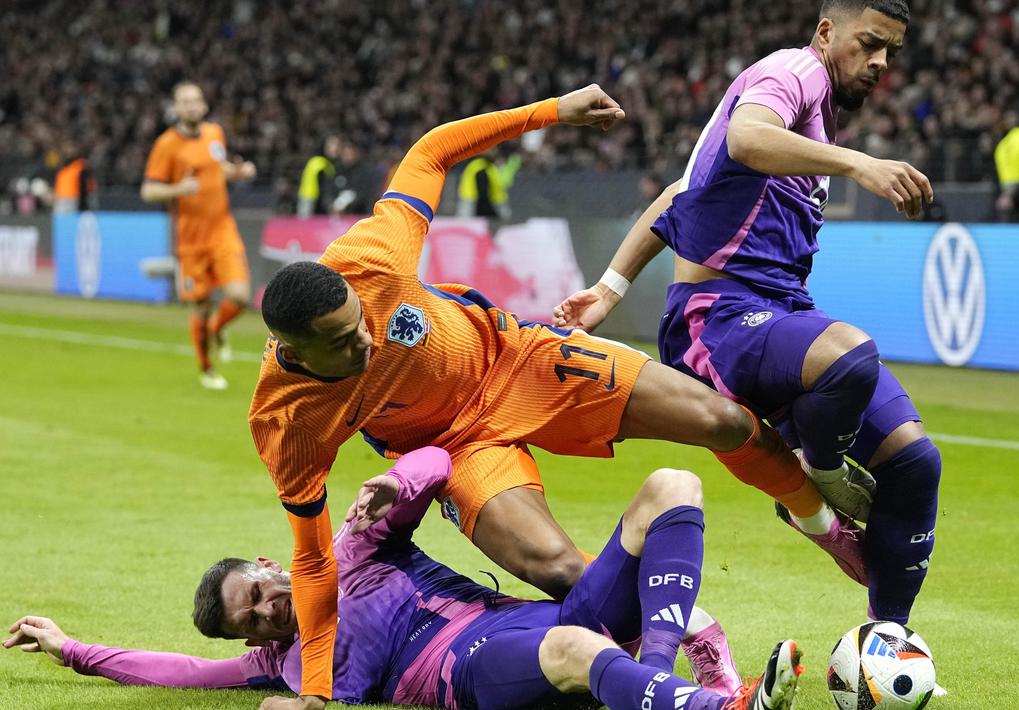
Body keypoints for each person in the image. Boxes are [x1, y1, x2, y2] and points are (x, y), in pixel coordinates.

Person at [251, 84, 857, 708]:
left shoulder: (370, 261)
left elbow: (431, 152)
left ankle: (826, 523)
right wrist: (317, 697)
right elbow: (317, 564)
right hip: (454, 447)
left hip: (520, 361)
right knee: (559, 571)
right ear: (295, 352)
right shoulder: (287, 422)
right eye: (346, 344)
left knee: (720, 418)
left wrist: (550, 112)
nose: (368, 340)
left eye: (363, 322)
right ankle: (693, 645)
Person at [553, 0, 943, 630]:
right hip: (718, 316)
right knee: (851, 355)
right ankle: (819, 477)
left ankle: (889, 638)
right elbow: (746, 137)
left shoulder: (815, 118)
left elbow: (682, 192)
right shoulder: (796, 71)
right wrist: (859, 164)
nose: (879, 63)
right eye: (869, 43)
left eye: (890, 52)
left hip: (775, 311)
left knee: (916, 463)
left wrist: (609, 288)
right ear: (826, 31)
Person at [5, 449, 804, 710]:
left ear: (269, 561)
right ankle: (715, 705)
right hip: (465, 666)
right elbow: (179, 671)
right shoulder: (287, 666)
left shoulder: (350, 549)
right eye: (253, 620)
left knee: (671, 486)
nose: (268, 611)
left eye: (258, 591)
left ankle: (655, 673)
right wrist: (73, 648)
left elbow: (439, 463)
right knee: (567, 646)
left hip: (528, 611)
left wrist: (397, 478)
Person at [141, 81, 257, 390]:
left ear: (203, 105)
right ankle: (206, 367)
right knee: (201, 306)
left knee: (239, 296)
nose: (192, 106)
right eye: (185, 102)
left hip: (222, 230)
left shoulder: (214, 134)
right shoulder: (167, 145)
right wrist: (178, 189)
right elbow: (149, 189)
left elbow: (219, 170)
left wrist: (238, 172)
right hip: (190, 240)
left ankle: (217, 330)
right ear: (176, 108)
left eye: (196, 101)